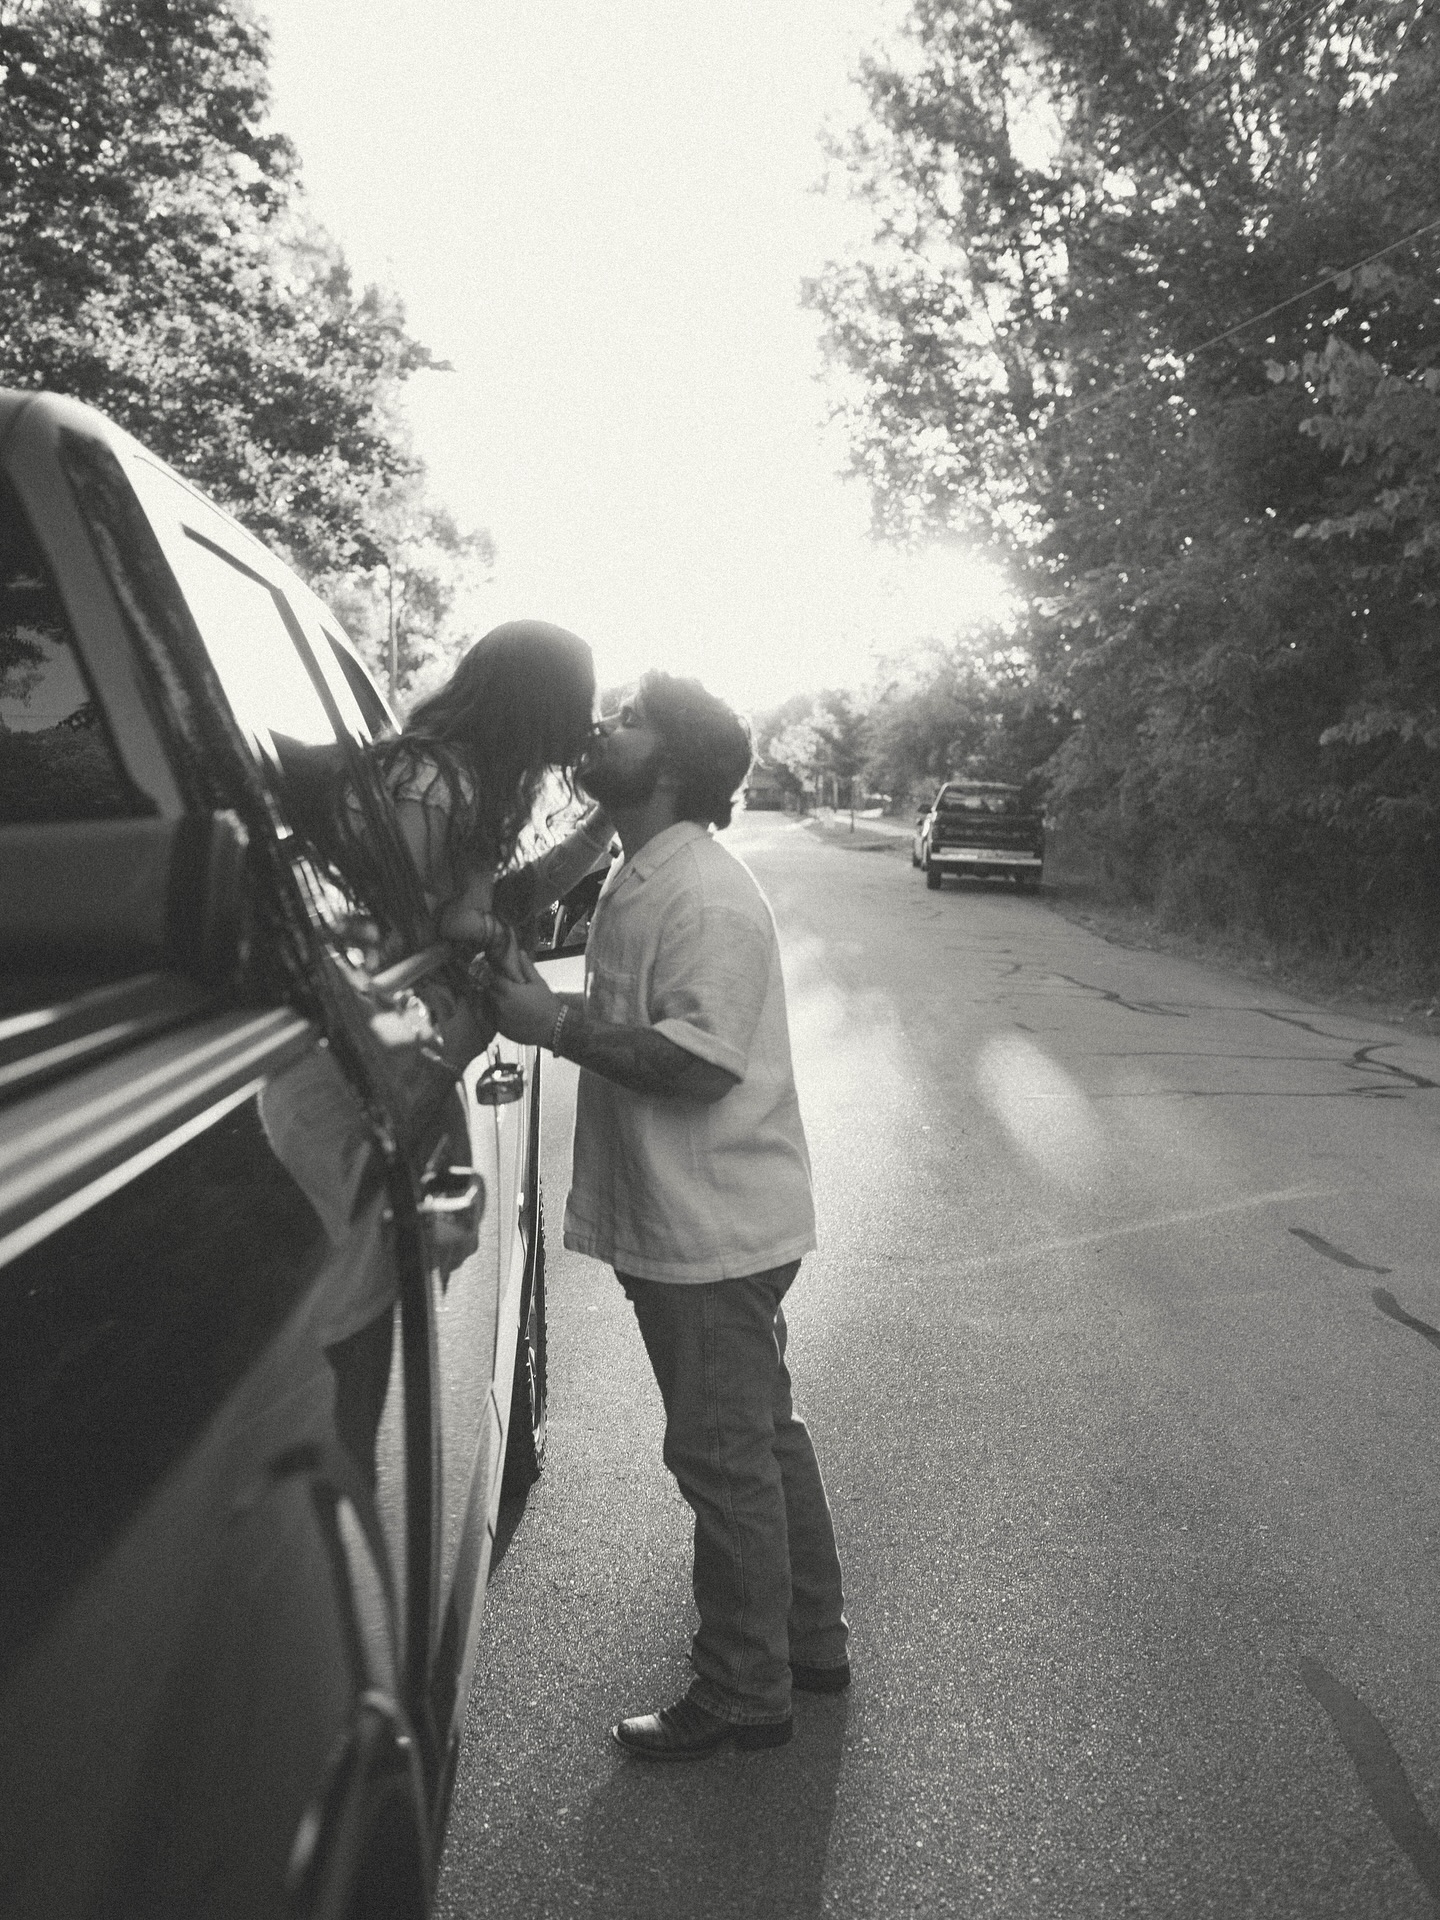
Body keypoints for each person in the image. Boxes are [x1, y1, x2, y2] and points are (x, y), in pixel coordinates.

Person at [482, 669, 849, 1760]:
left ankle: (744, 1690)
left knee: (723, 1458)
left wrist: (550, 1022)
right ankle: (810, 1641)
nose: (606, 724)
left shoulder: (703, 892)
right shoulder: (649, 866)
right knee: (759, 1442)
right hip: (704, 1222)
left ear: (674, 766)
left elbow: (695, 1066)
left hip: (713, 1228)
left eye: (632, 718)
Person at [333, 617, 613, 959]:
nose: (592, 722)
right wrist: (485, 931)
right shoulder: (435, 779)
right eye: (582, 701)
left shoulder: (472, 781)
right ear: (541, 705)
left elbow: (515, 898)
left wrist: (606, 817)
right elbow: (397, 909)